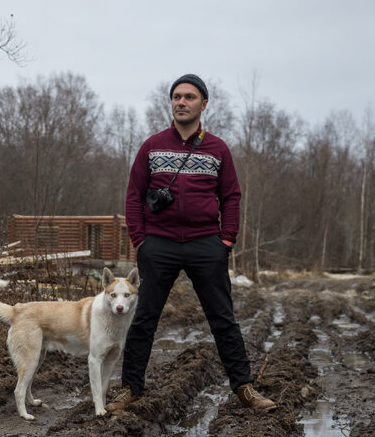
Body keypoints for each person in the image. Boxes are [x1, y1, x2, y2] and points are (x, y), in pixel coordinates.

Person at [106, 74, 276, 413]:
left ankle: (244, 388)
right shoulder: (152, 146)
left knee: (223, 319)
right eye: (176, 97)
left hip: (205, 244)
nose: (181, 102)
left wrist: (225, 241)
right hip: (159, 245)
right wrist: (141, 241)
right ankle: (130, 389)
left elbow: (231, 197)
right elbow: (133, 196)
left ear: (203, 104)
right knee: (144, 321)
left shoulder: (218, 149)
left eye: (189, 97)